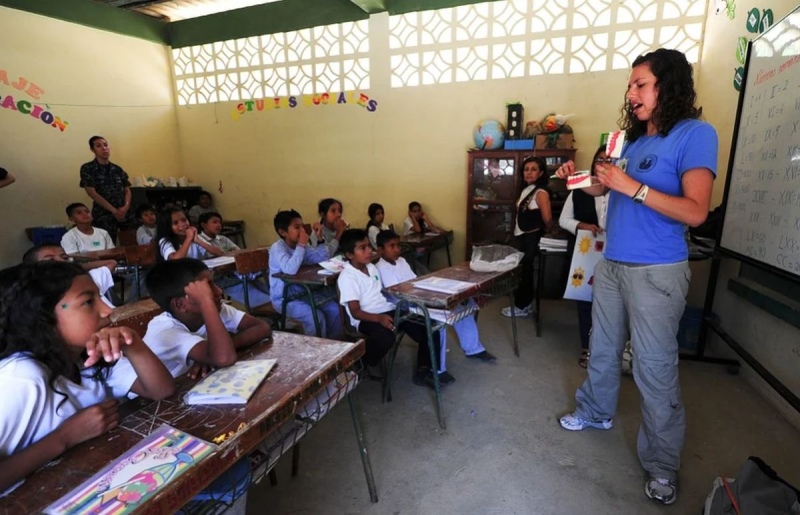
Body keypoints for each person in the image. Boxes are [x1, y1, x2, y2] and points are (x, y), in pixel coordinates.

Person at [555, 48, 718, 506]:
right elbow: (601, 186)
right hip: (613, 264)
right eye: (631, 85)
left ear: (669, 87)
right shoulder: (628, 140)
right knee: (602, 349)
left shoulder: (695, 135)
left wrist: (636, 188)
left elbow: (697, 211)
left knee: (653, 367)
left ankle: (662, 463)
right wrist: (575, 179)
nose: (631, 93)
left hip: (657, 272)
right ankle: (595, 412)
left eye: (640, 84)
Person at [0, 262, 174, 494]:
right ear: (43, 317)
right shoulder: (21, 377)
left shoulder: (88, 356)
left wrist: (133, 344)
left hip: (83, 486)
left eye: (100, 296)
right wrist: (66, 437)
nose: (107, 310)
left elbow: (161, 391)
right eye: (88, 302)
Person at [111, 259, 272, 382]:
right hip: (152, 403)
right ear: (180, 304)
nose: (219, 291)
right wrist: (206, 303)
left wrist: (210, 354)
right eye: (207, 289)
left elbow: (262, 327)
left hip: (190, 384)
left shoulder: (216, 308)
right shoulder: (165, 332)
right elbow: (224, 358)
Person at [337, 229, 448, 387]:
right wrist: (379, 318)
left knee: (430, 325)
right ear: (349, 255)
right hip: (366, 317)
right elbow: (355, 312)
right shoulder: (347, 277)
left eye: (369, 246)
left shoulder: (372, 268)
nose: (369, 251)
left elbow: (381, 294)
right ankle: (361, 362)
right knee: (385, 337)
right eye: (363, 248)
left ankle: (424, 370)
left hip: (387, 309)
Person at [376, 230, 496, 367]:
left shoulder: (402, 261)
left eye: (398, 245)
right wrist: (429, 297)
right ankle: (438, 369)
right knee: (439, 321)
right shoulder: (380, 268)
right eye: (392, 246)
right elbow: (398, 292)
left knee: (462, 305)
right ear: (380, 250)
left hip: (418, 296)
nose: (397, 249)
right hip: (406, 305)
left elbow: (414, 281)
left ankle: (473, 348)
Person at [558, 145, 611, 369]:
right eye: (599, 159)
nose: (603, 164)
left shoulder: (623, 190)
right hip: (587, 252)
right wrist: (583, 225)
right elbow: (564, 220)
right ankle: (588, 348)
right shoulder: (580, 189)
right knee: (586, 301)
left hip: (614, 252)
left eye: (609, 160)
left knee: (611, 303)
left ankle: (611, 351)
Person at [269, 210, 342, 339]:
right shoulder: (277, 248)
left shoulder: (300, 246)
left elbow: (321, 257)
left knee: (334, 309)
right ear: (282, 232)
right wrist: (302, 244)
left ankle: (334, 344)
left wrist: (319, 239)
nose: (302, 231)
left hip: (302, 292)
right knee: (315, 317)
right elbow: (289, 269)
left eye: (302, 226)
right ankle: (317, 353)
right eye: (297, 227)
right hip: (284, 298)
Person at [501, 156, 553, 318]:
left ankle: (522, 306)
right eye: (526, 169)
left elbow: (547, 219)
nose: (529, 173)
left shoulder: (541, 192)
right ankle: (525, 304)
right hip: (522, 236)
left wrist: (552, 231)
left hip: (531, 237)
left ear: (541, 172)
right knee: (523, 271)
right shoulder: (527, 189)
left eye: (534, 169)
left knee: (526, 272)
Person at [22, 243, 118, 308]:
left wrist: (75, 267)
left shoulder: (87, 279)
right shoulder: (43, 299)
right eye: (50, 260)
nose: (61, 261)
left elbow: (111, 263)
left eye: (64, 258)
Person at [79, 136, 134, 243]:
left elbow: (127, 189)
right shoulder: (88, 168)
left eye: (105, 145)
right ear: (92, 150)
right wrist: (114, 211)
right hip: (104, 215)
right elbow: (92, 193)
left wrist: (125, 207)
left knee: (130, 243)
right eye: (98, 146)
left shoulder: (117, 169)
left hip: (125, 213)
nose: (104, 148)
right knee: (106, 245)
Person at [156, 207, 221, 261]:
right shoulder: (164, 241)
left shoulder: (194, 237)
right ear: (167, 226)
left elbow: (218, 252)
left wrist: (197, 241)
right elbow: (175, 261)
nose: (182, 225)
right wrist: (188, 239)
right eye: (175, 223)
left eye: (184, 220)